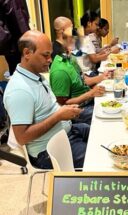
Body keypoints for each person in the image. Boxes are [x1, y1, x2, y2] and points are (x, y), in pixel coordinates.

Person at [3, 30, 89, 169]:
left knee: (100, 134)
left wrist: (64, 112)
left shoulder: (37, 76)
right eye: (45, 55)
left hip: (66, 133)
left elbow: (49, 109)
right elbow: (22, 137)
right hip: (47, 151)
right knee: (100, 159)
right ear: (27, 53)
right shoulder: (19, 90)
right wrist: (58, 116)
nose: (50, 60)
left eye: (50, 54)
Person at [50, 25, 105, 124]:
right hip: (79, 109)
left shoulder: (71, 58)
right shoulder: (60, 71)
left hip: (89, 99)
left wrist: (101, 79)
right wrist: (91, 93)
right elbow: (63, 105)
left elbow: (83, 79)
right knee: (106, 117)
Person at [51, 16, 110, 86]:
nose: (74, 31)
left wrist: (101, 77)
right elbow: (75, 81)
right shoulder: (58, 53)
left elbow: (80, 76)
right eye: (71, 28)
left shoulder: (66, 47)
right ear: (63, 31)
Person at [0, 0, 30, 75]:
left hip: (8, 43)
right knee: (24, 75)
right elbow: (17, 16)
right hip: (16, 42)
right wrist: (28, 40)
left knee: (16, 73)